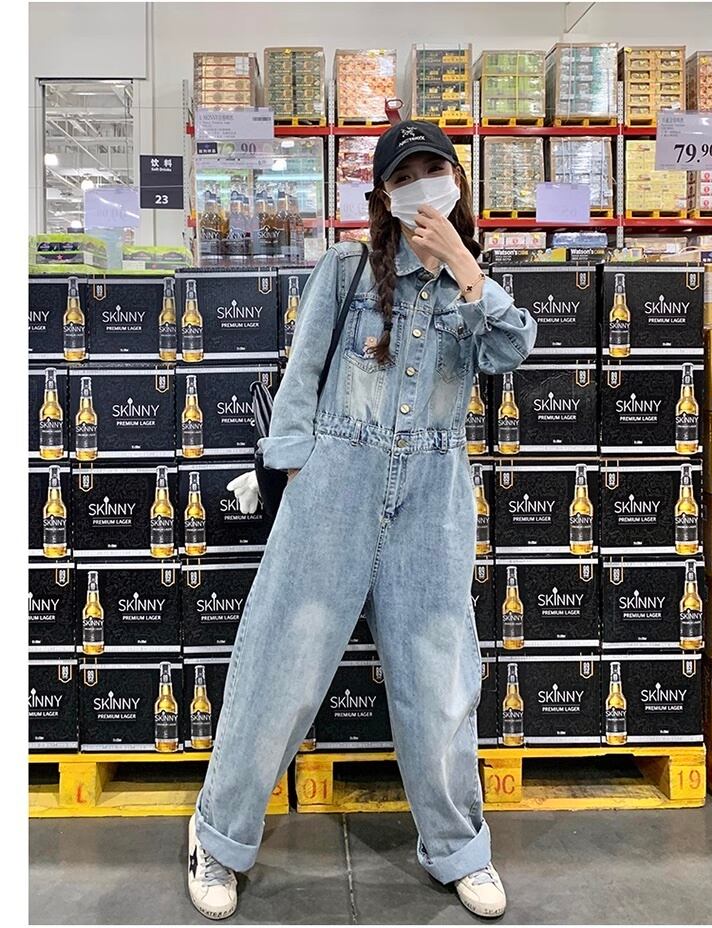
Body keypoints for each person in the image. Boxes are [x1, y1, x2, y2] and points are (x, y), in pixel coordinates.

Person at [187, 119, 537, 921]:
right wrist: (301, 469)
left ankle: (459, 850)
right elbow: (302, 374)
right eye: (404, 177)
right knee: (280, 668)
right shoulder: (347, 268)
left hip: (432, 497)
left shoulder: (470, 286)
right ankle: (218, 839)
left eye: (433, 171)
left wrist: (465, 267)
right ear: (382, 194)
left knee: (439, 681)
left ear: (457, 181)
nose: (421, 188)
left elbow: (512, 351)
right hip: (336, 487)